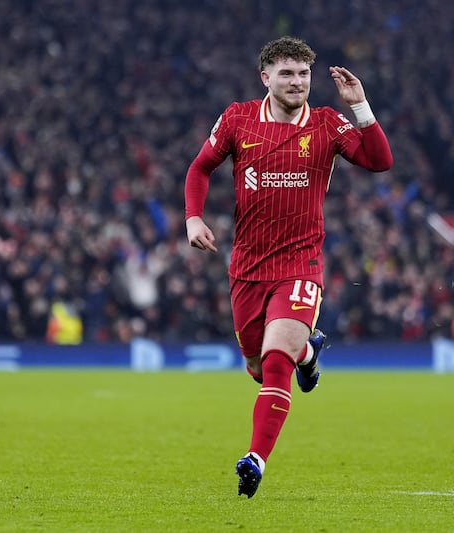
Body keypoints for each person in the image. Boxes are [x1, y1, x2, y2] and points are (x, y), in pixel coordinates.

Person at [184, 36, 392, 498]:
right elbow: (199, 169)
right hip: (247, 267)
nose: (297, 82)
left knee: (276, 361)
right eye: (287, 74)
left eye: (303, 74)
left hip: (301, 264)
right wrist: (193, 217)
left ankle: (255, 459)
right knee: (258, 367)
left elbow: (380, 161)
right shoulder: (238, 118)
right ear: (266, 78)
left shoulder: (326, 123)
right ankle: (310, 354)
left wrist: (361, 107)